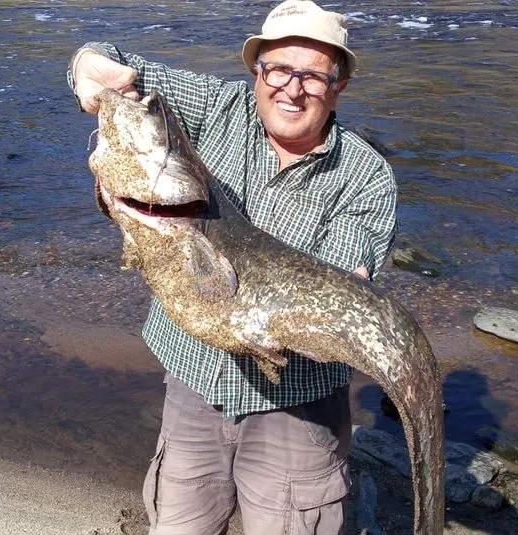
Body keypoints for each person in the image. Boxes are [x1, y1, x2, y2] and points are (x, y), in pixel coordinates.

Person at [67, 1, 397, 533]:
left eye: (313, 76)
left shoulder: (367, 176)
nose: (292, 88)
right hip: (194, 380)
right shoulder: (216, 106)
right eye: (279, 69)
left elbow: (333, 281)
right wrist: (88, 64)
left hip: (299, 403)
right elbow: (112, 64)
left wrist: (341, 301)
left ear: (338, 87)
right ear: (256, 70)